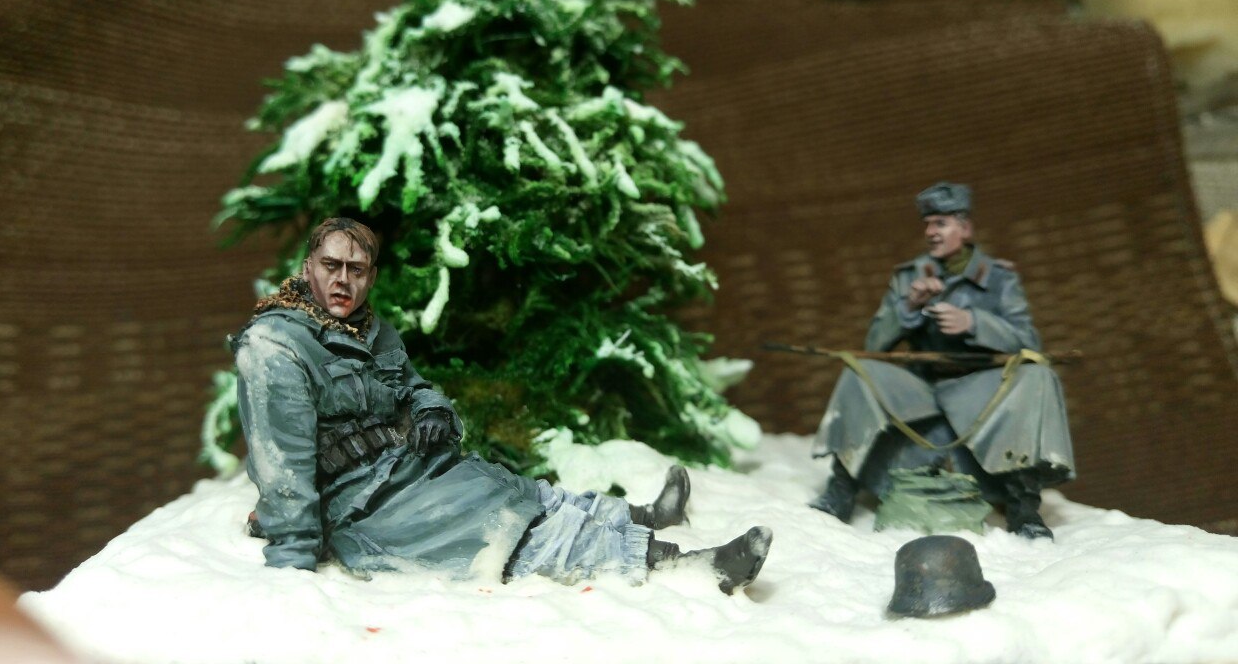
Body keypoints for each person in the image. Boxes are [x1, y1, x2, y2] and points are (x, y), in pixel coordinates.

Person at [234, 217, 771, 593]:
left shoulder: (369, 328)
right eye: (331, 265)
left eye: (357, 270)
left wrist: (433, 410)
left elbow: (413, 385)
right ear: (308, 267)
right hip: (359, 506)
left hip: (408, 469)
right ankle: (685, 566)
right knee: (505, 526)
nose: (343, 280)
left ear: (371, 276)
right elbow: (283, 466)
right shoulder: (276, 346)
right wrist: (294, 564)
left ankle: (643, 516)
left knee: (520, 490)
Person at [808, 183, 1074, 539]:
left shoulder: (999, 277)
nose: (931, 232)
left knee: (1037, 377)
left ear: (965, 228)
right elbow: (873, 344)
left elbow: (1028, 342)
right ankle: (841, 489)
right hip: (922, 387)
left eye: (941, 223)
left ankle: (1023, 507)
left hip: (982, 388)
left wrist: (974, 323)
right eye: (928, 224)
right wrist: (908, 307)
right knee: (859, 370)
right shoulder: (909, 276)